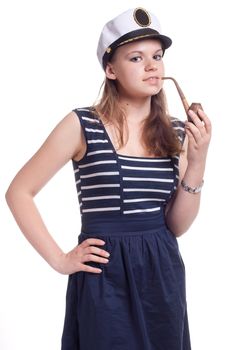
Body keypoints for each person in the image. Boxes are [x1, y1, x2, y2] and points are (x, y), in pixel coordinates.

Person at [5, 7, 211, 350]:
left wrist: (198, 162)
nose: (152, 66)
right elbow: (19, 192)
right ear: (110, 69)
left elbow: (176, 225)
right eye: (136, 57)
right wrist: (59, 259)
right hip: (105, 276)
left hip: (162, 272)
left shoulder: (178, 131)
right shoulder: (82, 125)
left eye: (157, 56)